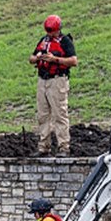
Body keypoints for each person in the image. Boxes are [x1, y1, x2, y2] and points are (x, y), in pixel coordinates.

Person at [29, 14, 77, 156]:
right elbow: (31, 58)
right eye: (48, 31)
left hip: (58, 80)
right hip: (42, 80)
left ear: (58, 29)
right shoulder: (43, 41)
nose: (49, 34)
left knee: (59, 114)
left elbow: (73, 61)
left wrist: (54, 59)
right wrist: (37, 57)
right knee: (43, 114)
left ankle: (64, 147)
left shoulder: (65, 41)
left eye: (52, 31)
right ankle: (44, 146)